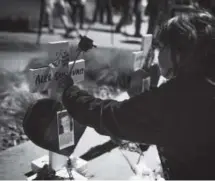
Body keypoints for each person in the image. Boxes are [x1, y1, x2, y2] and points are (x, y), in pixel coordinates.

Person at [58, 10, 215, 179]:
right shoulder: (202, 83)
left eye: (160, 48)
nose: (156, 56)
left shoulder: (178, 98)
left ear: (180, 52)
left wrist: (70, 92)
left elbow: (112, 116)